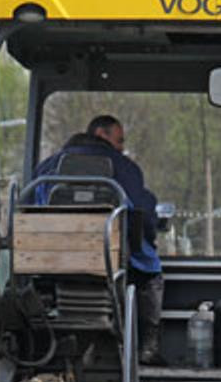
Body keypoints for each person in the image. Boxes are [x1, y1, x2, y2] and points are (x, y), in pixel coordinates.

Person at [34, 114, 165, 364]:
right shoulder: (126, 169)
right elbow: (142, 214)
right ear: (102, 135)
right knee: (151, 271)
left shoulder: (46, 168)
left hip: (52, 257)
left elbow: (29, 209)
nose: (122, 147)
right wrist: (149, 234)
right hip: (109, 256)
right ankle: (147, 345)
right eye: (119, 140)